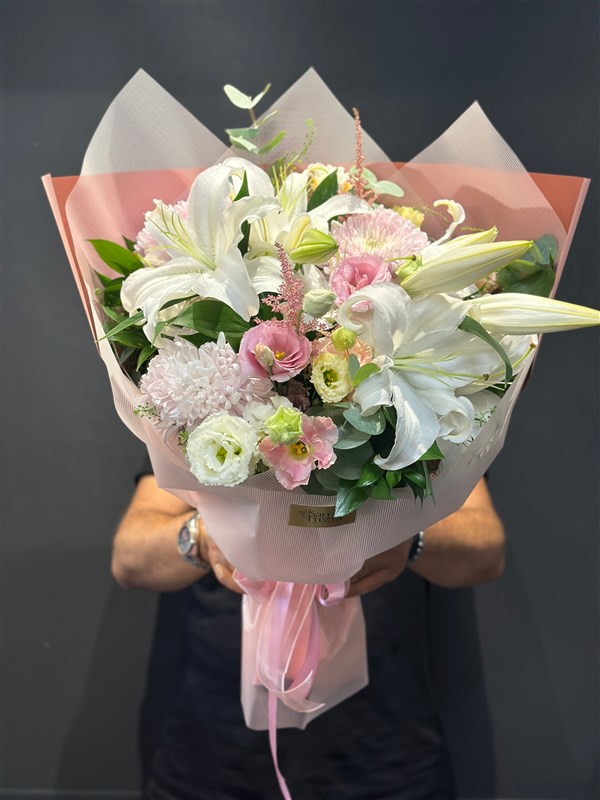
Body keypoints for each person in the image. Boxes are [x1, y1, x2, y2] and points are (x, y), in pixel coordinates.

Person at [112, 461, 505, 800]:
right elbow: (130, 557)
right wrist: (203, 535)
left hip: (386, 755)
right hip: (211, 757)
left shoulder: (417, 412)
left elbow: (485, 547)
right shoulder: (204, 411)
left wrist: (407, 533)